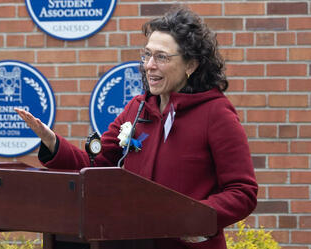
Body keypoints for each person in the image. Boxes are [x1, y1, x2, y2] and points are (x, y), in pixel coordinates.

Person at [15, 6, 258, 249]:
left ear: (191, 65)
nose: (149, 65)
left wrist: (193, 217)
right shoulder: (137, 108)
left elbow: (242, 192)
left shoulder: (216, 114)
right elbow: (96, 167)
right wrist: (53, 144)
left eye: (161, 57)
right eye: (147, 55)